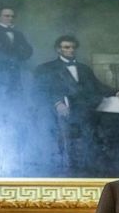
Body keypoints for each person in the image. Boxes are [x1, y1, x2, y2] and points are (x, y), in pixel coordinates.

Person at [34, 35, 114, 174]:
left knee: (97, 133)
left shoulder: (84, 68)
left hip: (86, 111)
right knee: (66, 140)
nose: (70, 50)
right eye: (66, 47)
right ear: (58, 50)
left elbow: (98, 86)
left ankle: (90, 168)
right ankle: (67, 169)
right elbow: (42, 90)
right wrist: (57, 103)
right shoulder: (47, 68)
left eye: (73, 47)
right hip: (60, 111)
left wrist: (118, 92)